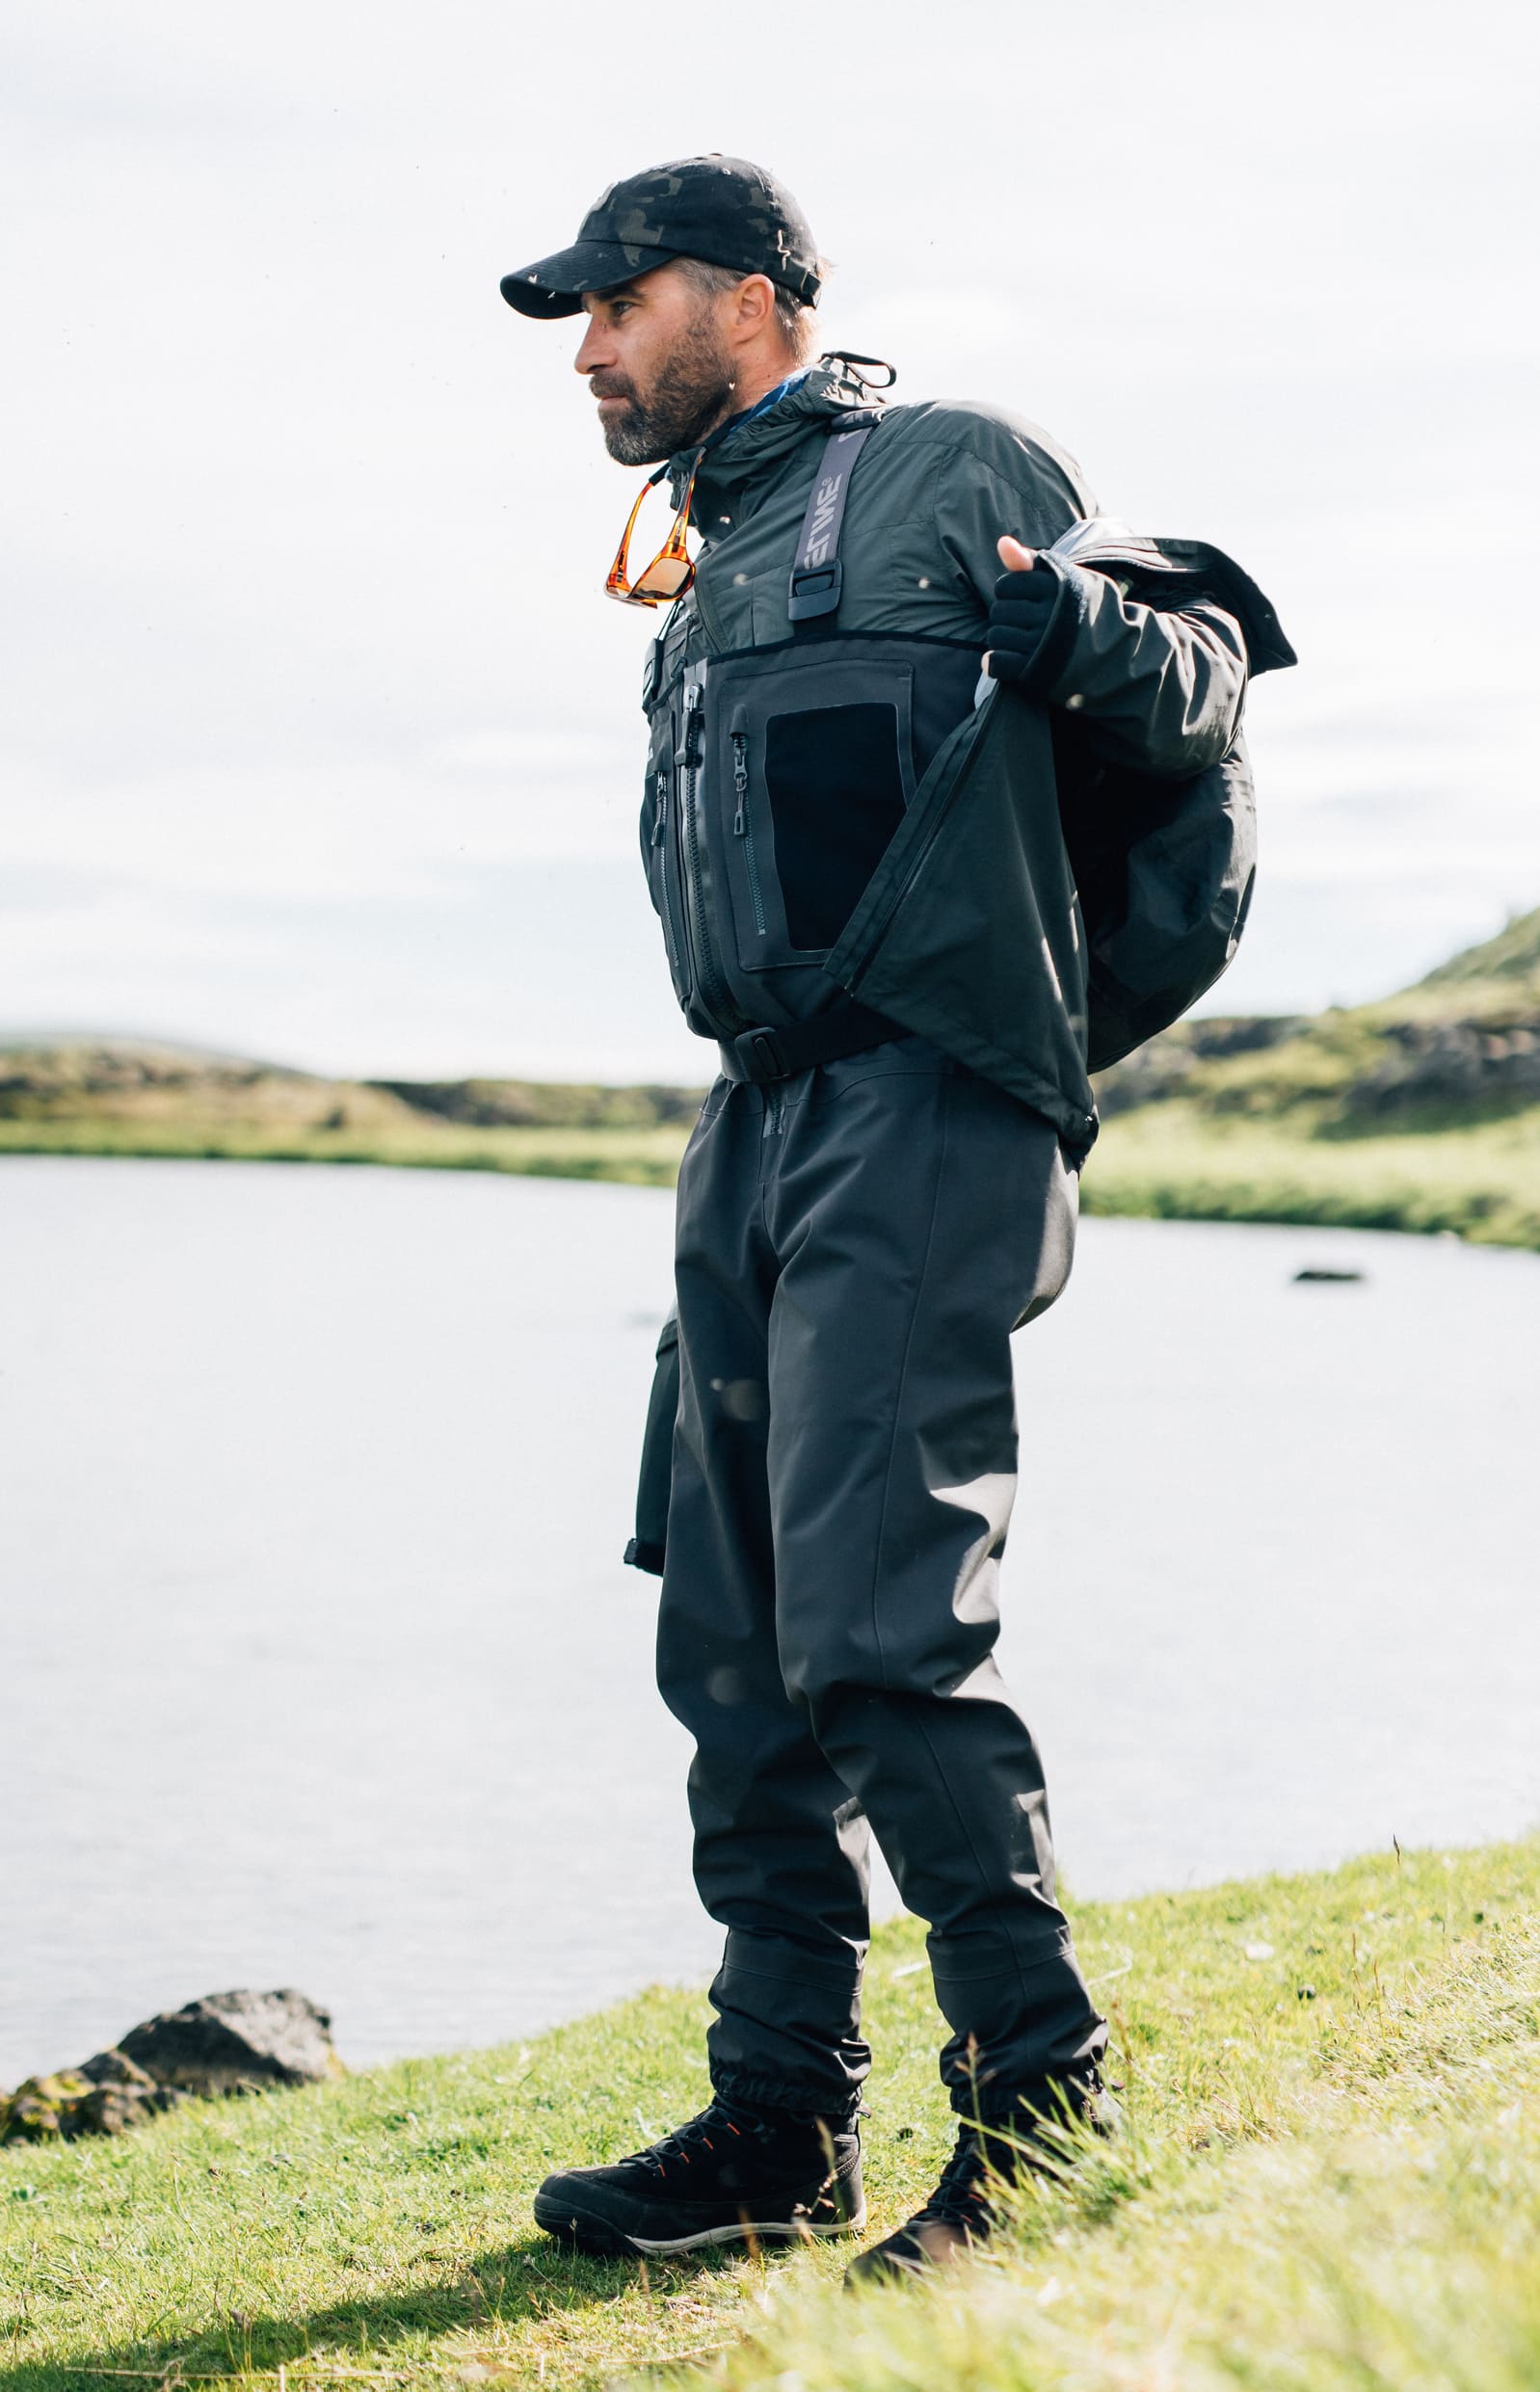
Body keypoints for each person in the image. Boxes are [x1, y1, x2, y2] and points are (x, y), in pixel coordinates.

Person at [499, 155, 1279, 2282]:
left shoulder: (952, 467)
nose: (585, 351)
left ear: (747, 300)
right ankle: (778, 2124)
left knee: (878, 1610)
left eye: (614, 303)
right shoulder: (716, 550)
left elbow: (1202, 695)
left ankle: (1036, 2109)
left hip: (931, 1095)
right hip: (753, 1115)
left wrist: (1089, 636)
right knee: (732, 1628)